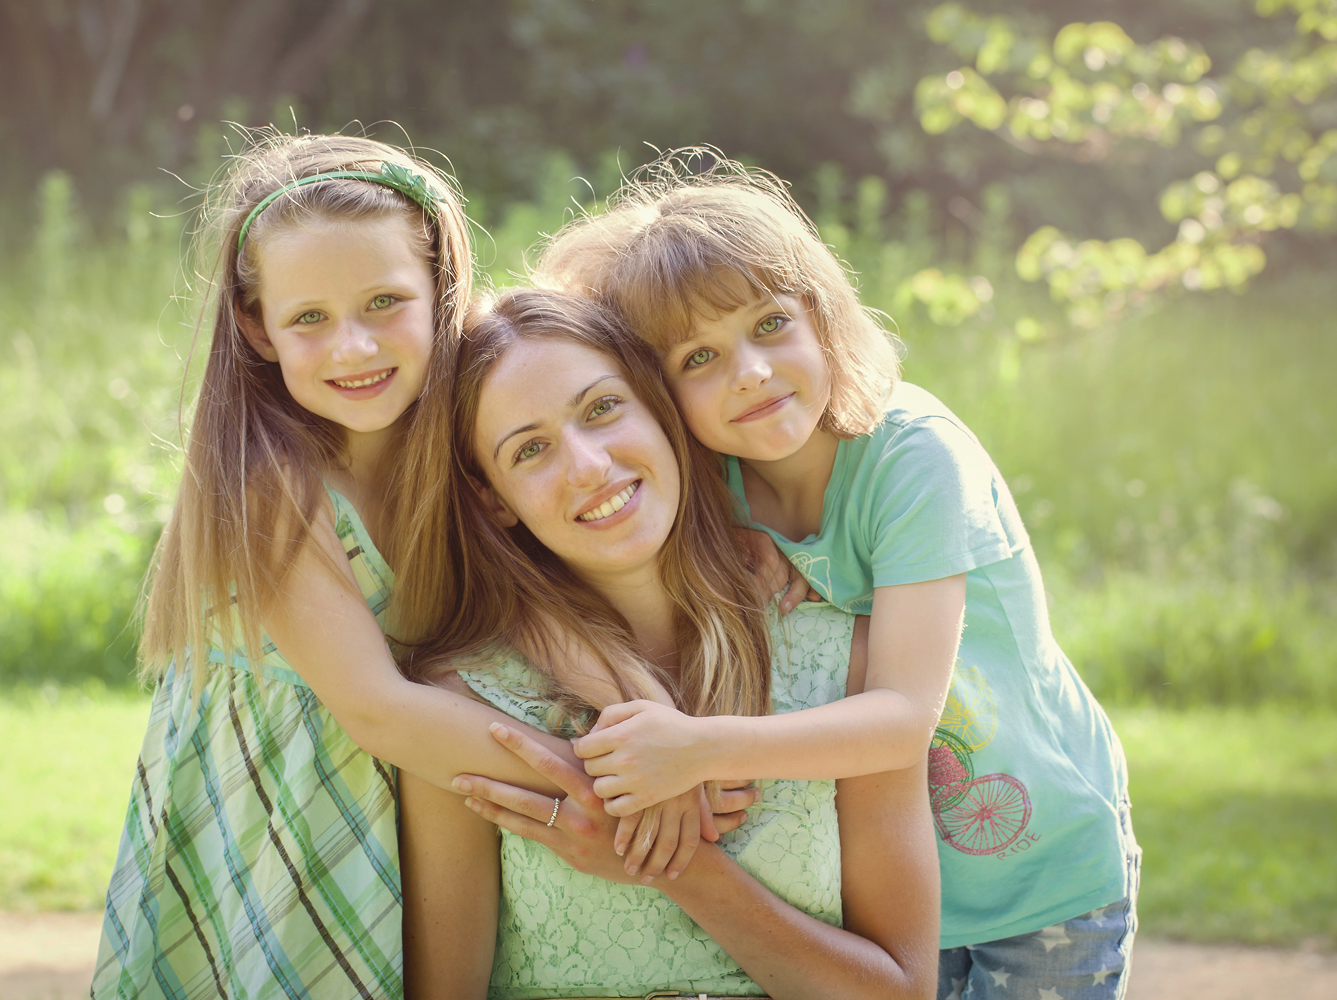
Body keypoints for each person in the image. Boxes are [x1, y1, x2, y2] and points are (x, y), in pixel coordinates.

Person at [86, 133, 714, 1000]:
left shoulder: (465, 452)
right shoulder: (272, 485)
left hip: (424, 801)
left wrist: (647, 723)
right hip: (287, 822)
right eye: (309, 318)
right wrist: (616, 788)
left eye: (385, 302)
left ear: (440, 292)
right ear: (255, 328)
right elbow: (380, 713)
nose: (353, 347)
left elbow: (529, 610)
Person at [532, 150, 1141, 1000]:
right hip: (879, 875)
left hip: (1035, 871)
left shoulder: (913, 457)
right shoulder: (708, 488)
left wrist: (694, 751)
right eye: (697, 359)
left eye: (770, 323)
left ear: (821, 316)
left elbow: (898, 722)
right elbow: (543, 588)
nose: (749, 370)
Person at [399, 287, 939, 999]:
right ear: (495, 499)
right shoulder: (462, 707)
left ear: (662, 412)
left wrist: (678, 867)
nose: (589, 465)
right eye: (530, 450)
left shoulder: (844, 664)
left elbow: (900, 992)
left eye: (602, 408)